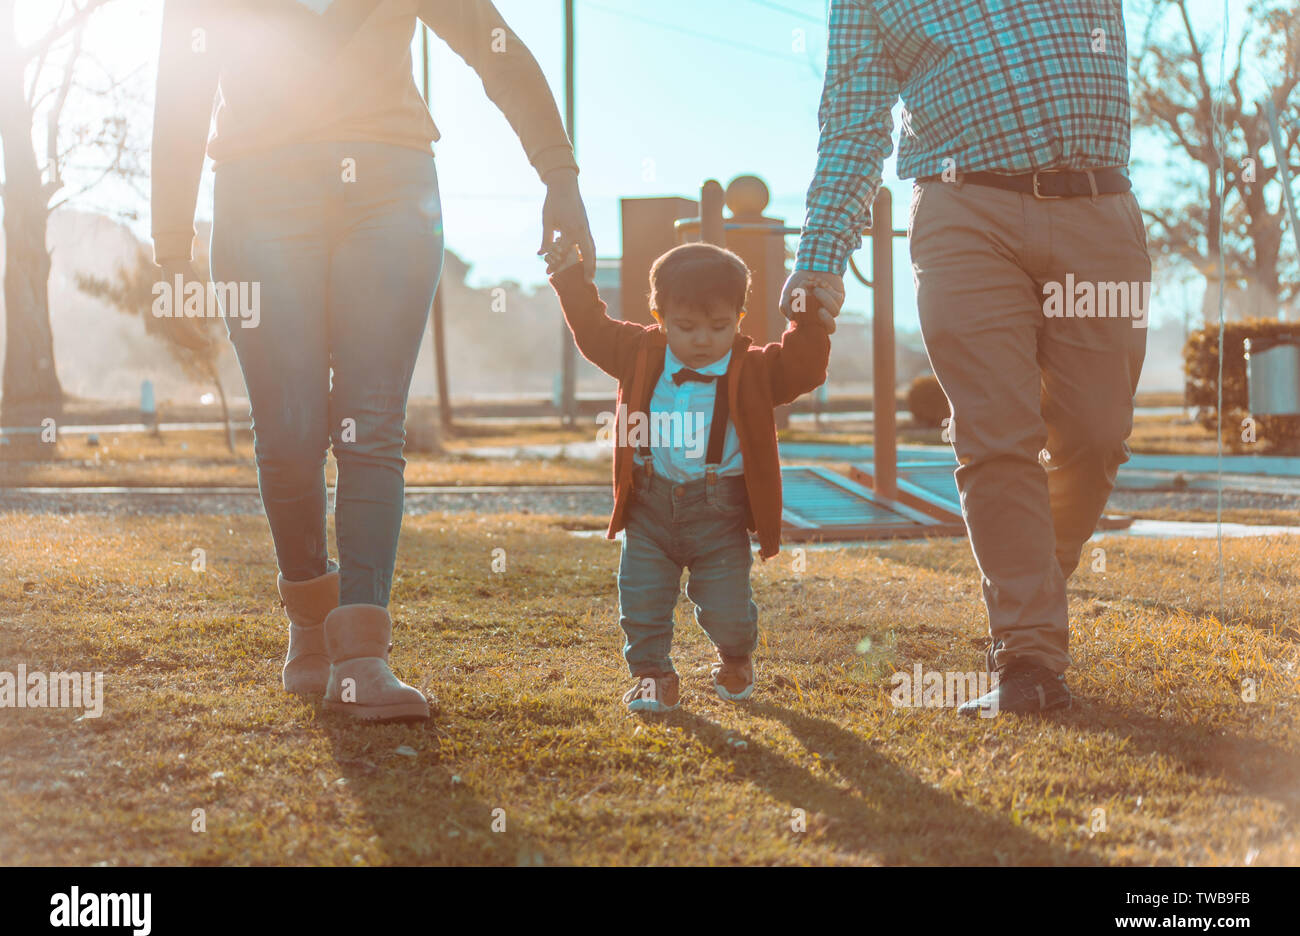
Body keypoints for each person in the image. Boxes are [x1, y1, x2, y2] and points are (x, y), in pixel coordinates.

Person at [151, 0, 595, 721]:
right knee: (289, 428)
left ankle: (361, 656)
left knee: (371, 423)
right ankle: (309, 624)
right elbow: (180, 91)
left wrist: (560, 173)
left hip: (391, 188)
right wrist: (171, 249)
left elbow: (495, 48)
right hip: (259, 193)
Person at [785, 0, 1150, 715]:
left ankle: (1034, 588)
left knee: (1097, 434)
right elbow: (855, 121)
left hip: (1098, 208)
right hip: (964, 213)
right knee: (997, 435)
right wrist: (822, 255)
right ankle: (1028, 654)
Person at [545, 241, 834, 712]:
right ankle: (654, 676)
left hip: (718, 517)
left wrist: (809, 316)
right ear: (658, 315)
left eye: (719, 326)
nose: (703, 339)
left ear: (740, 318)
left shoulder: (755, 368)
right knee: (641, 603)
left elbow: (804, 366)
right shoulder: (638, 353)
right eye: (686, 327)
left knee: (728, 611)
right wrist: (571, 278)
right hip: (649, 509)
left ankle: (736, 655)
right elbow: (593, 329)